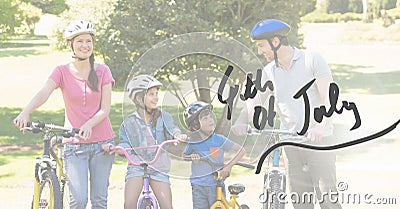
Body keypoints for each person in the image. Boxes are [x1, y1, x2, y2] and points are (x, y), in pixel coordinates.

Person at [232, 19, 342, 209]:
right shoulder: (269, 71)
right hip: (291, 146)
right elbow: (255, 101)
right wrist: (241, 121)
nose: (259, 51)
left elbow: (329, 99)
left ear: (275, 42)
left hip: (319, 143)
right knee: (299, 203)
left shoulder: (312, 60)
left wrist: (319, 127)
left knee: (327, 200)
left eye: (261, 46)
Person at [13, 20, 115, 209]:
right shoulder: (62, 71)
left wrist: (89, 124)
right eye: (80, 41)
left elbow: (105, 109)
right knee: (79, 201)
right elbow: (44, 92)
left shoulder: (103, 71)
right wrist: (26, 111)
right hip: (75, 145)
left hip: (103, 144)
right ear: (71, 45)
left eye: (88, 41)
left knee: (100, 201)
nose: (85, 45)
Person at [114, 74, 187, 209]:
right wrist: (119, 148)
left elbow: (172, 129)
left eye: (156, 93)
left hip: (158, 166)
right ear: (139, 98)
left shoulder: (163, 116)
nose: (156, 97)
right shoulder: (129, 122)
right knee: (129, 204)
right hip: (137, 165)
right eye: (151, 94)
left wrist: (178, 136)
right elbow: (125, 142)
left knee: (167, 205)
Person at [182, 101, 246, 209]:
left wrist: (228, 166)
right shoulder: (193, 142)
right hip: (198, 186)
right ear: (195, 126)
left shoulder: (219, 139)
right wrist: (192, 157)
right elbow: (184, 156)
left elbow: (241, 150)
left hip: (216, 185)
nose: (210, 120)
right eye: (205, 118)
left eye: (210, 116)